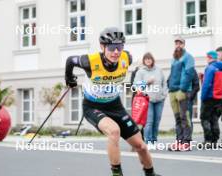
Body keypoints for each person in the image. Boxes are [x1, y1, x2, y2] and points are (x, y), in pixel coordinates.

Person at [65, 27, 161, 176]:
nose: (116, 52)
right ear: (102, 47)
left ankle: (150, 173)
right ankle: (116, 173)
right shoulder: (89, 61)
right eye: (111, 47)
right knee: (114, 131)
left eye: (119, 47)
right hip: (93, 107)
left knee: (141, 146)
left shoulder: (126, 58)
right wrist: (69, 79)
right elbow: (70, 60)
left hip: (115, 105)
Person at [167, 36, 195, 151]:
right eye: (176, 43)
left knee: (185, 117)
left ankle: (187, 142)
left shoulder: (188, 57)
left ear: (184, 45)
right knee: (177, 118)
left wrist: (183, 89)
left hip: (182, 91)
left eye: (180, 43)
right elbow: (172, 74)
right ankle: (179, 141)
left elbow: (189, 74)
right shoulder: (173, 58)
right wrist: (169, 85)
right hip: (172, 91)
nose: (178, 45)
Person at [134, 52, 167, 145]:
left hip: (159, 100)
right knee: (149, 122)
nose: (148, 60)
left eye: (149, 59)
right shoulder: (141, 72)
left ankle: (154, 140)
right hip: (147, 101)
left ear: (152, 60)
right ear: (144, 61)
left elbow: (164, 83)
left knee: (156, 122)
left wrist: (164, 95)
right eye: (146, 59)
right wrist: (147, 82)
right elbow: (136, 85)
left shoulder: (159, 70)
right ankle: (148, 142)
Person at [200, 51, 222, 148]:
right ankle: (215, 140)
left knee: (204, 118)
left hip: (208, 98)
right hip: (218, 97)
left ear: (210, 57)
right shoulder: (220, 68)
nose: (206, 59)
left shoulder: (210, 68)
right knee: (214, 119)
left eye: (207, 57)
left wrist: (202, 96)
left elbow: (206, 84)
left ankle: (208, 140)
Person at [188, 68, 200, 140]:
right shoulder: (176, 68)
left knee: (187, 119)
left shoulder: (192, 70)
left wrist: (190, 96)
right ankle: (179, 139)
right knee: (179, 120)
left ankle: (188, 139)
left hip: (188, 99)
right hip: (178, 98)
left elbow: (196, 86)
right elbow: (169, 81)